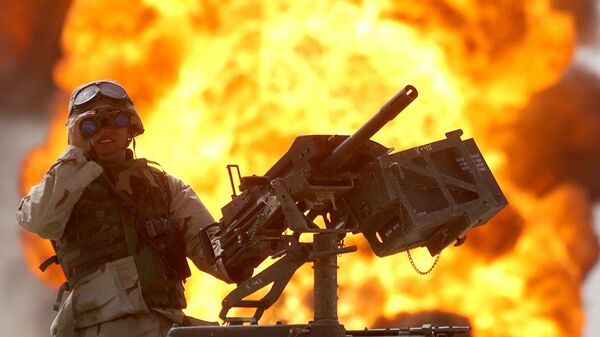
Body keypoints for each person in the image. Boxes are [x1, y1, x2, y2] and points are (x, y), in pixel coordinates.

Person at [16, 80, 249, 337]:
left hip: (164, 326)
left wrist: (253, 232)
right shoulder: (66, 188)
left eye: (116, 120)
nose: (105, 130)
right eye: (91, 125)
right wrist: (73, 154)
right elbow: (35, 219)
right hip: (97, 329)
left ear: (132, 128)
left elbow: (216, 255)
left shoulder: (163, 187)